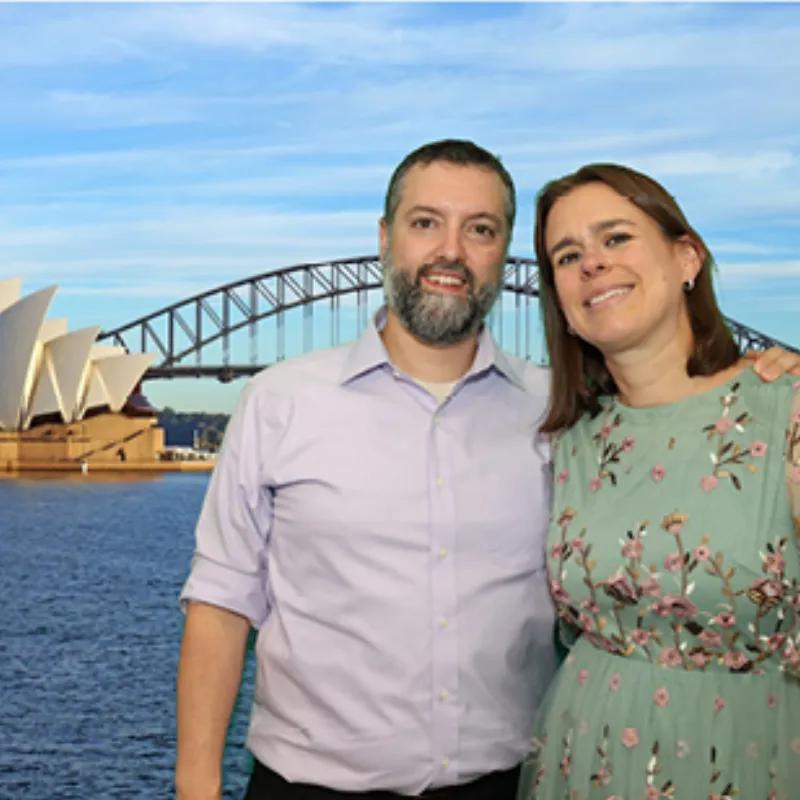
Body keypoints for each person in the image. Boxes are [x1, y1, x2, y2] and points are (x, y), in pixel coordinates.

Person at [174, 140, 800, 800]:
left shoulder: (560, 415)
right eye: (425, 223)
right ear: (385, 239)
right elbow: (220, 602)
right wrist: (196, 789)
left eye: (479, 230)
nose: (450, 251)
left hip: (518, 783)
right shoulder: (281, 401)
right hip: (310, 787)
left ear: (503, 255)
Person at [517, 163, 800, 800]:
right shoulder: (571, 444)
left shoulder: (787, 411)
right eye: (567, 255)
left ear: (686, 259)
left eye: (616, 238)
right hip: (581, 765)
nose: (591, 263)